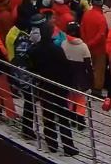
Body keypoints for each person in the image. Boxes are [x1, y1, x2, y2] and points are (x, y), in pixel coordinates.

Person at [31, 26, 80, 156]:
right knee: (63, 117)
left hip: (44, 86)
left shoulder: (35, 50)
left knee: (48, 116)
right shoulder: (57, 50)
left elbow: (33, 67)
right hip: (58, 87)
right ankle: (68, 146)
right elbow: (67, 69)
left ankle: (52, 144)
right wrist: (68, 86)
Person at [61, 21, 94, 121]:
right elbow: (88, 65)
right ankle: (80, 118)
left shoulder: (63, 44)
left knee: (70, 97)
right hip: (80, 78)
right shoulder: (83, 47)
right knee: (80, 99)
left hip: (67, 76)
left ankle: (70, 114)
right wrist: (91, 80)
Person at [80, 0, 110, 94]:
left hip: (87, 46)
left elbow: (82, 28)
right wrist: (91, 43)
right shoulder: (101, 18)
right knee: (99, 69)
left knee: (89, 67)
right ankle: (96, 90)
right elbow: (101, 35)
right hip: (99, 48)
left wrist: (86, 43)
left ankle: (88, 84)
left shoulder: (86, 14)